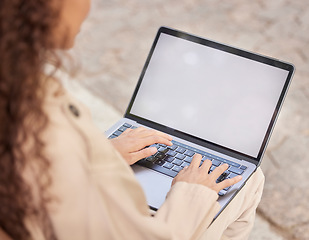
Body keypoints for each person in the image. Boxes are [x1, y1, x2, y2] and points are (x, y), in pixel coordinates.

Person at [0, 0, 265, 239]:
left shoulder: (12, 89)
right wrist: (191, 192)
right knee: (251, 180)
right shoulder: (40, 120)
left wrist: (101, 155)